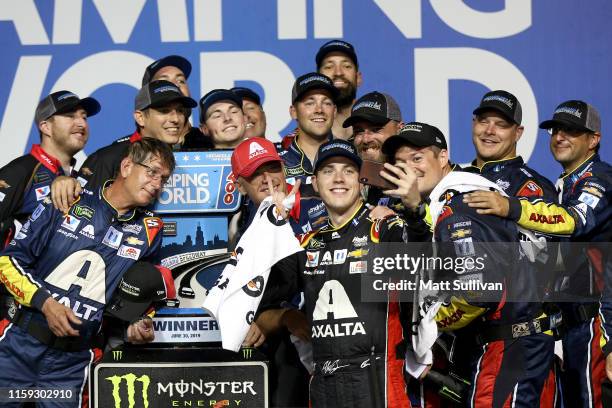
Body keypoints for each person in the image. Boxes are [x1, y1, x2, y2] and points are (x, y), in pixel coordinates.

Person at [380, 122, 557, 407]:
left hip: (509, 345)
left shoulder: (460, 203)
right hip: (520, 341)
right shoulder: (454, 198)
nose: (409, 169)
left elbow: (478, 292)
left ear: (442, 158)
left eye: (417, 158)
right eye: (401, 163)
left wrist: (435, 321)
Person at [0, 138, 175, 407]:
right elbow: (7, 263)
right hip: (18, 347)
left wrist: (138, 323)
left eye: (164, 179)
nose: (157, 184)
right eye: (151, 172)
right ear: (127, 166)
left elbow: (143, 295)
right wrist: (46, 304)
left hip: (72, 364)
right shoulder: (67, 198)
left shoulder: (151, 230)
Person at [463, 100, 610, 407]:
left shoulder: (599, 179)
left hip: (596, 323)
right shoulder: (567, 183)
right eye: (556, 130)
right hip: (569, 324)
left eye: (572, 131)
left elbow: (574, 221)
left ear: (593, 139)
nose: (560, 137)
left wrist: (510, 207)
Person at [258, 139, 413, 408]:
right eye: (329, 171)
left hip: (378, 384)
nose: (338, 178)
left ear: (362, 182)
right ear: (316, 183)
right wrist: (273, 227)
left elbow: (428, 270)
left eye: (348, 171)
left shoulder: (384, 229)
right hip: (323, 387)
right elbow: (262, 296)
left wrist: (415, 209)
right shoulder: (305, 243)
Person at [0, 90, 100, 326]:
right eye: (70, 116)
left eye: (84, 116)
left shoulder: (81, 179)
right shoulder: (20, 171)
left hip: (59, 313)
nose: (81, 123)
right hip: (15, 314)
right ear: (45, 126)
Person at [231, 138, 309, 407]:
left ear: (284, 169)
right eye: (255, 174)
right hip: (285, 346)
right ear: (240, 185)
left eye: (272, 168)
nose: (267, 178)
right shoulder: (246, 224)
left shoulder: (314, 204)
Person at [51, 80, 196, 212]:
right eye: (164, 111)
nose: (176, 119)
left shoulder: (192, 158)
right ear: (140, 117)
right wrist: (62, 181)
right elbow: (81, 213)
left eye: (180, 111)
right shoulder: (108, 158)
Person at [278, 72, 338, 233]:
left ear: (335, 111)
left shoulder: (352, 158)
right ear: (293, 112)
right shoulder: (273, 162)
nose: (319, 110)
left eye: (326, 103)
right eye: (310, 103)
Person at [141, 54, 213, 150]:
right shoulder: (126, 152)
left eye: (181, 81)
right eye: (164, 81)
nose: (175, 86)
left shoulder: (210, 143)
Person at [316, 40, 362, 140]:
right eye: (329, 67)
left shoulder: (378, 131)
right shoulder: (303, 139)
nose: (338, 72)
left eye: (346, 66)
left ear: (358, 78)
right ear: (317, 79)